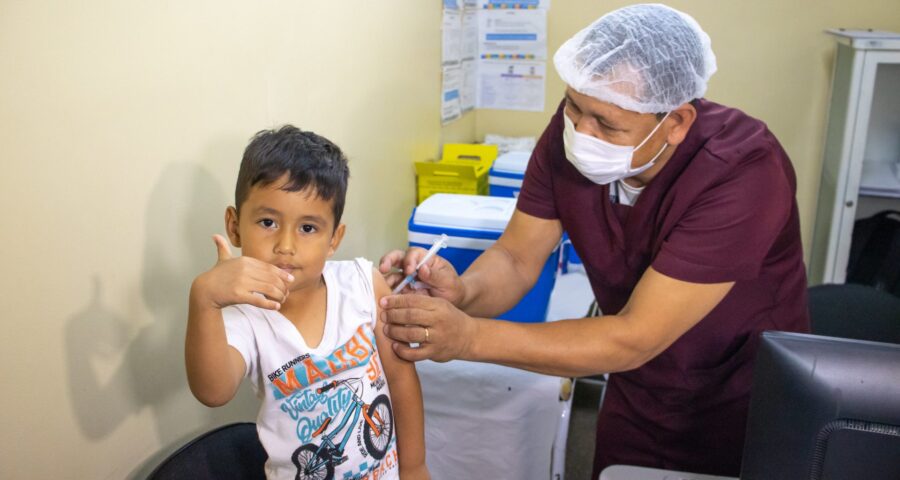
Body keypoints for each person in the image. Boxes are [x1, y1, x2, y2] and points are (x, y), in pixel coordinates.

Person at [378, 4, 808, 477]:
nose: (582, 132)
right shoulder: (570, 136)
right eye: (573, 106)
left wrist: (468, 337)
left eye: (607, 124)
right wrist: (461, 293)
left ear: (677, 122)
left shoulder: (743, 171)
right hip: (637, 389)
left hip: (738, 397)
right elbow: (518, 257)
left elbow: (634, 336)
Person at [186, 126, 428, 480]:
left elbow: (401, 379)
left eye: (308, 228)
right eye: (268, 222)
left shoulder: (362, 284)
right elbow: (213, 391)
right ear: (235, 227)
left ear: (334, 239)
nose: (286, 245)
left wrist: (415, 466)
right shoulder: (244, 316)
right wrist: (204, 300)